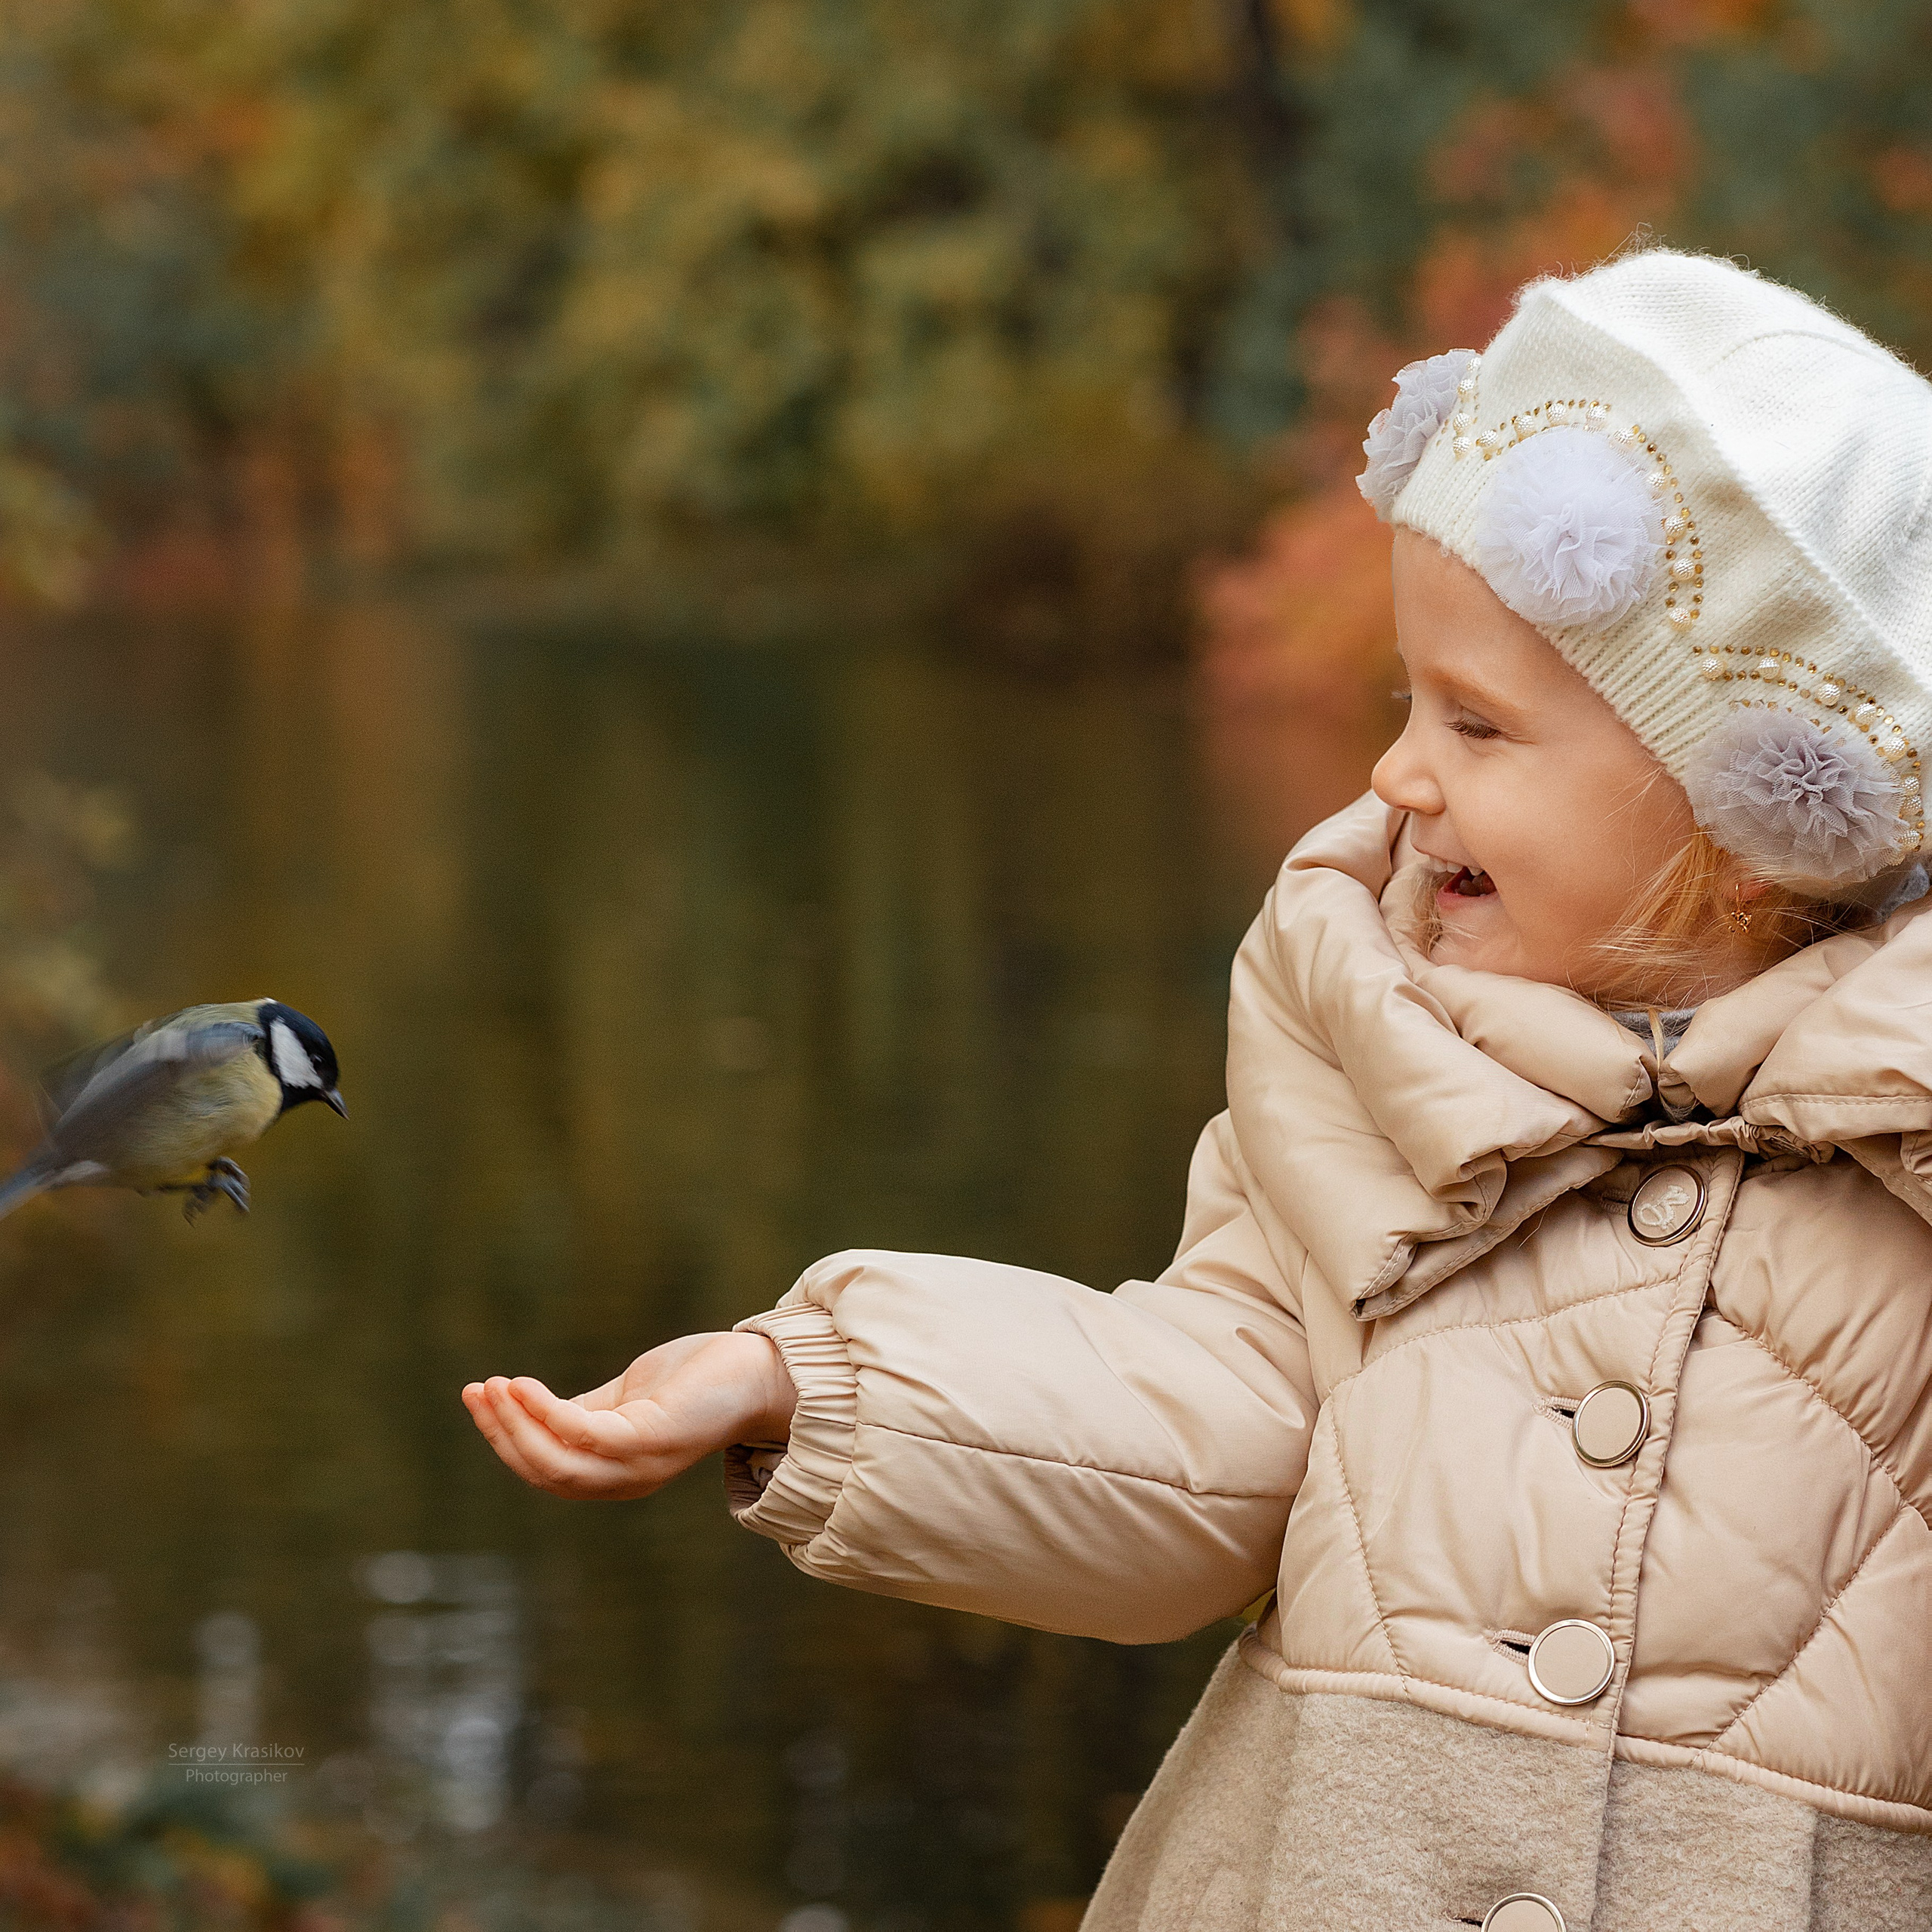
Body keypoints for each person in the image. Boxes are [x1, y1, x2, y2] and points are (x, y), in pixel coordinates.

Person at [463, 251, 1932, 1929]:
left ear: (1746, 819)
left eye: (1474, 722)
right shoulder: (1375, 1052)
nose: (1395, 772)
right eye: (1402, 701)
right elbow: (1198, 1420)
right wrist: (808, 1383)